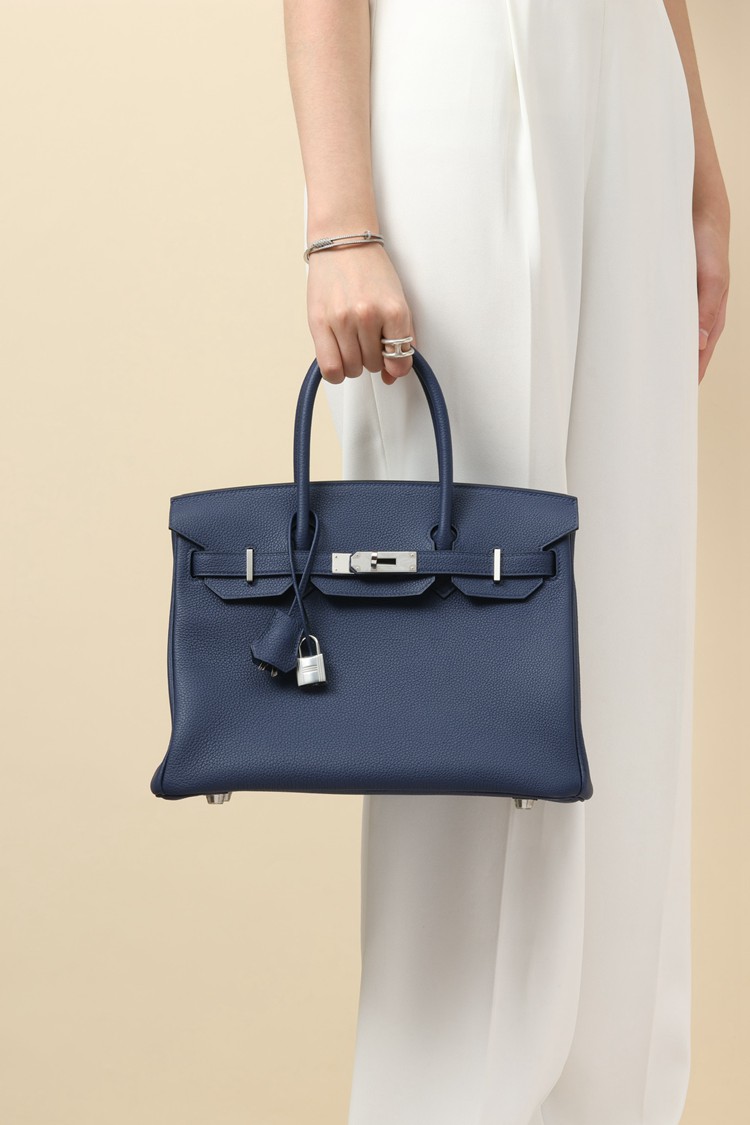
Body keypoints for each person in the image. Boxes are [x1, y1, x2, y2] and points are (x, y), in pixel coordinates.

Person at [283, 2, 730, 1122]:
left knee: (629, 648)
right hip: (460, 53)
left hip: (634, 75)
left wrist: (698, 150)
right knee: (461, 659)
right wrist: (339, 222)